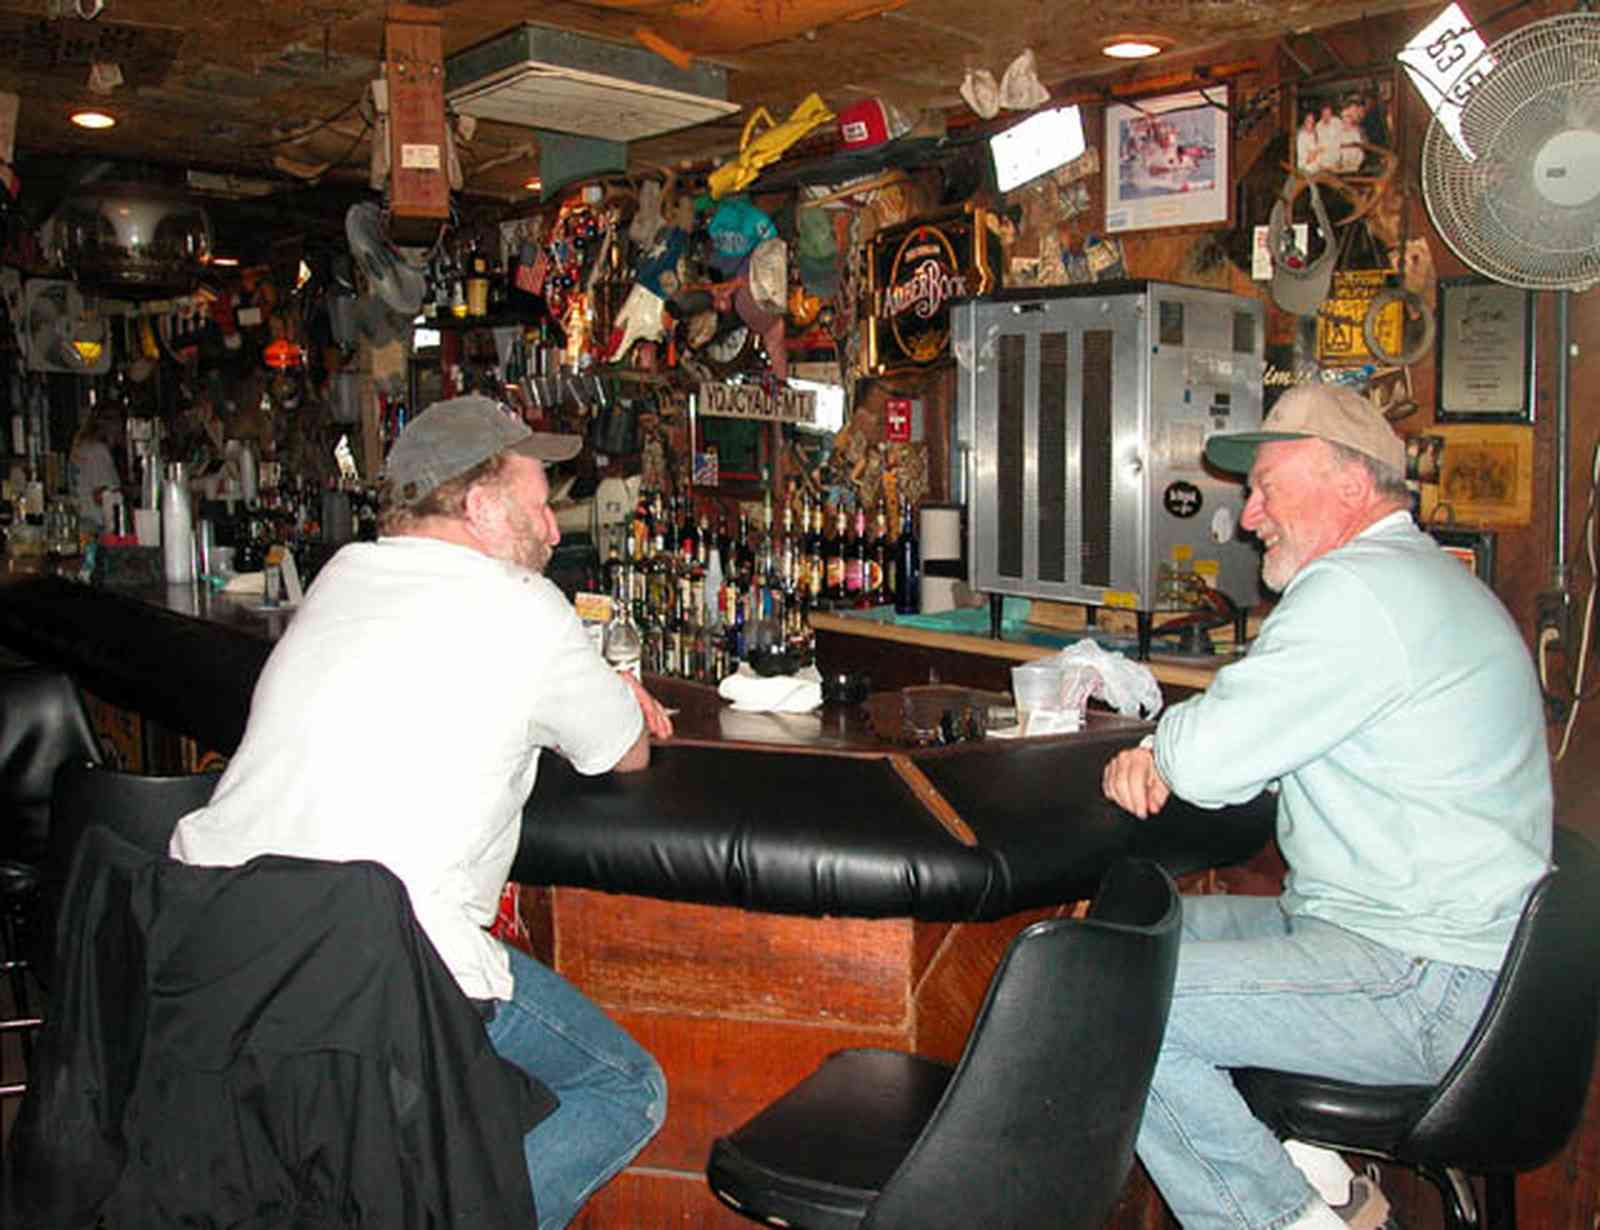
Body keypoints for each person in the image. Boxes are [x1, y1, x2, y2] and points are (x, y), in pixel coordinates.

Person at [171, 394, 673, 1229]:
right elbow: (622, 750)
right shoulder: (522, 607)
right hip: (388, 969)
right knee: (624, 1089)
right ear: (479, 506)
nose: (555, 530)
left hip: (220, 952)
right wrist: (611, 692)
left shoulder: (340, 575)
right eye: (541, 504)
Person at [1102, 383, 1552, 1230]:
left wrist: (1160, 749)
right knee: (1123, 939)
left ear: (1353, 484)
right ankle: (1327, 1190)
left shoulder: (1361, 593)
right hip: (1427, 947)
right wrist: (1192, 748)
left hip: (1428, 976)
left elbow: (1208, 760)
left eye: (1269, 485)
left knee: (1111, 998)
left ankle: (1284, 1220)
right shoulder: (1416, 581)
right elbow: (1258, 747)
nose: (1246, 515)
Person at [67, 410, 122, 531]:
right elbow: (102, 495)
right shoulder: (98, 451)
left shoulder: (80, 447)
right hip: (97, 525)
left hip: (82, 521)